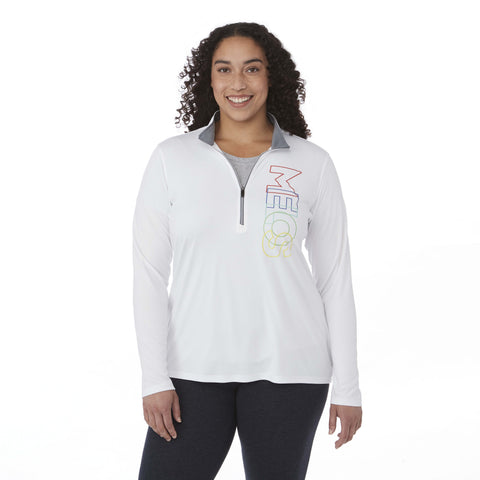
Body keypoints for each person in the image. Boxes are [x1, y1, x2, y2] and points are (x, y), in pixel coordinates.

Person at [132, 21, 363, 480]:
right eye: (224, 69)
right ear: (209, 78)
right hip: (192, 370)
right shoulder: (171, 159)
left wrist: (348, 386)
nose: (238, 83)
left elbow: (335, 278)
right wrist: (154, 377)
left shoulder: (312, 163)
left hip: (292, 369)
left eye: (251, 69)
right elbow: (149, 274)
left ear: (271, 76)